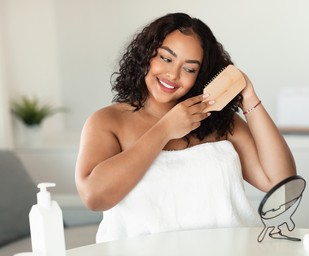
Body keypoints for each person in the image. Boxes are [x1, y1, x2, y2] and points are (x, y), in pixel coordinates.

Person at [75, 12, 296, 243]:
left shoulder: (221, 122)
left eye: (189, 69)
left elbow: (282, 184)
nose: (173, 74)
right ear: (146, 55)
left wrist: (249, 97)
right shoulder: (108, 121)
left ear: (201, 75)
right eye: (166, 58)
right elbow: (94, 197)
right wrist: (165, 129)